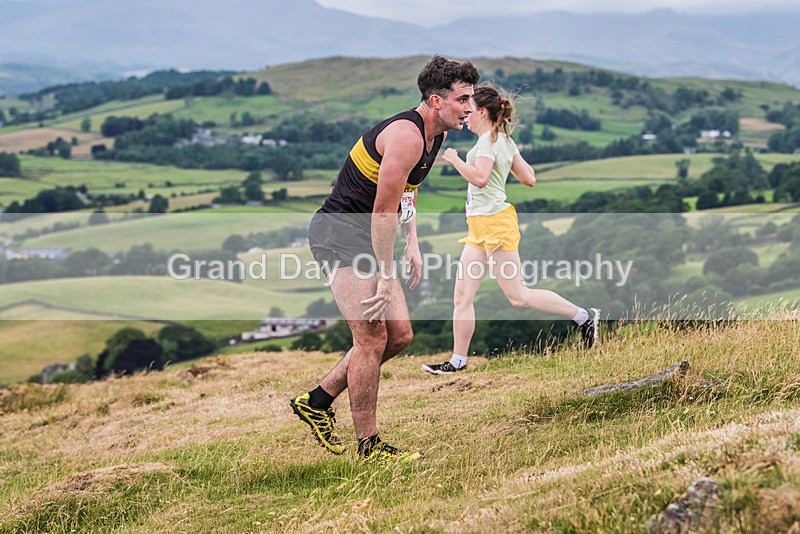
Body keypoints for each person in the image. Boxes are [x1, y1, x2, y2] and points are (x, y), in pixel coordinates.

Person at [289, 55, 480, 462]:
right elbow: (380, 212)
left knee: (400, 336)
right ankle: (369, 447)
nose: (470, 107)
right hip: (340, 234)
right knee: (372, 337)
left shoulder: (436, 136)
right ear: (435, 100)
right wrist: (387, 274)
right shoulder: (407, 135)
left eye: (471, 99)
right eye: (463, 99)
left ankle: (318, 401)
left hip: (369, 235)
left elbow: (406, 193)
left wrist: (412, 240)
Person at [422, 83, 599, 376]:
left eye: (470, 108)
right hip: (480, 226)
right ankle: (457, 361)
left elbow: (479, 178)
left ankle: (584, 317)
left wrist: (453, 160)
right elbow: (529, 178)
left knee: (518, 296)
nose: (465, 113)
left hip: (495, 225)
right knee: (461, 296)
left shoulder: (488, 144)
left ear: (482, 112)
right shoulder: (501, 141)